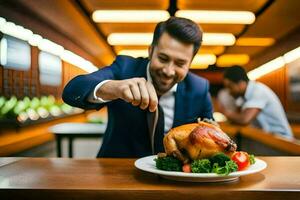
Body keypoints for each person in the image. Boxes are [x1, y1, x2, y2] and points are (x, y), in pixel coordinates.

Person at [62, 17, 214, 158]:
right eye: (163, 58)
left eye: (180, 64)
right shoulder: (125, 68)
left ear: (190, 63)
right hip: (117, 173)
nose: (168, 71)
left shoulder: (199, 88)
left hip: (176, 180)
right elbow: (72, 91)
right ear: (150, 51)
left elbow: (210, 128)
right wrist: (114, 88)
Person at [220, 65, 293, 139]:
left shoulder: (258, 91)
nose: (229, 92)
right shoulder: (243, 96)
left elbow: (244, 119)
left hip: (282, 140)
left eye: (230, 87)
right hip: (269, 138)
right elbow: (238, 117)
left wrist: (225, 112)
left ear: (241, 83)